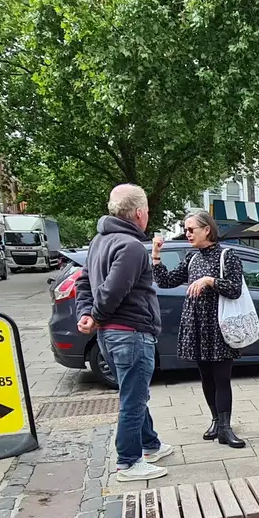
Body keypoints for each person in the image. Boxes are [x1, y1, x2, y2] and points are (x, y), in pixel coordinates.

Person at [75, 184, 173, 482]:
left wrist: (86, 314)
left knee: (134, 393)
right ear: (140, 213)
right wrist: (95, 315)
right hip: (130, 332)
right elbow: (111, 291)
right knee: (133, 399)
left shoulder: (99, 242)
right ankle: (129, 462)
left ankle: (150, 444)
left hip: (110, 334)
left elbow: (84, 283)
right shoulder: (130, 247)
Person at [154, 210, 249, 449]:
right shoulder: (192, 258)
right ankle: (216, 422)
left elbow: (235, 289)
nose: (187, 234)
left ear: (207, 229)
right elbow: (166, 281)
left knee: (221, 377)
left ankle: (226, 428)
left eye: (191, 229)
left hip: (218, 325)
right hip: (197, 324)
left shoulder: (227, 255)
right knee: (206, 376)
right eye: (186, 230)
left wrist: (209, 281)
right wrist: (156, 256)